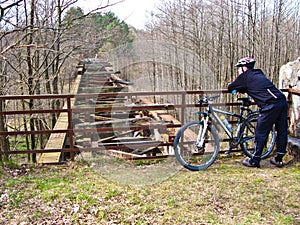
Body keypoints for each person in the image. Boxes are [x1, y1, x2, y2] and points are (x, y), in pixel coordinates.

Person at [228, 57, 288, 168]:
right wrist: (243, 89)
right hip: (282, 101)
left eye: (239, 68)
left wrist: (236, 90)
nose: (238, 71)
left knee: (260, 132)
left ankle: (254, 160)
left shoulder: (245, 76)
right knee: (282, 130)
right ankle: (279, 159)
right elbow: (256, 86)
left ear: (244, 68)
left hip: (270, 105)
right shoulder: (258, 73)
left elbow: (230, 87)